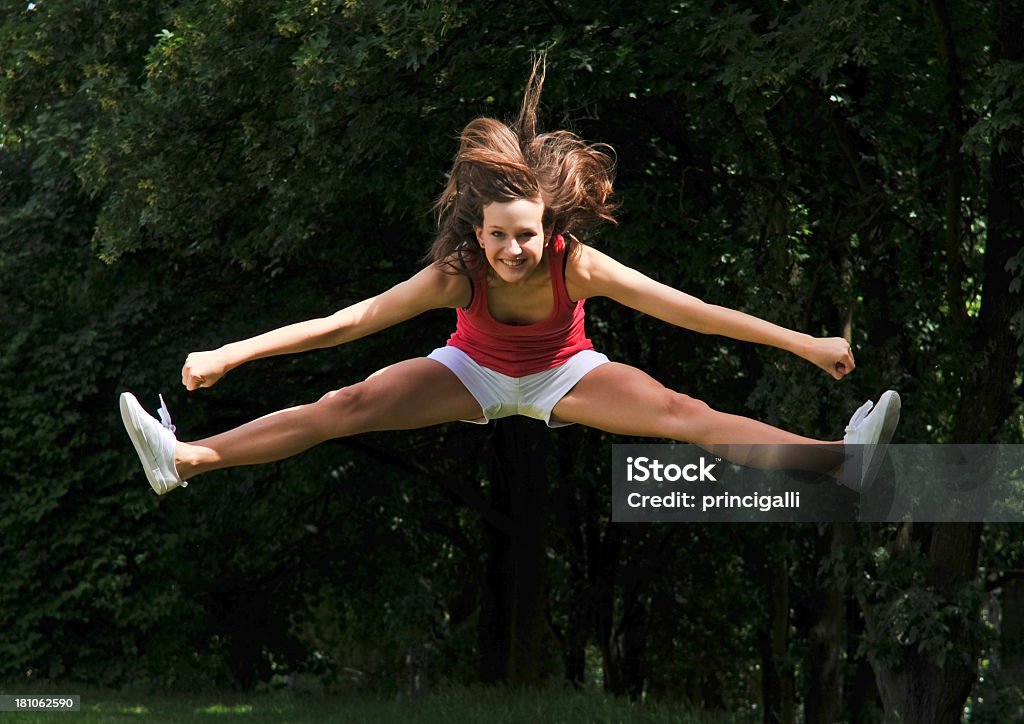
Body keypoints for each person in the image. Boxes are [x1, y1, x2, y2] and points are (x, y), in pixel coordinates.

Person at [120, 60, 900, 497]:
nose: (513, 253)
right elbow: (348, 322)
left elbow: (692, 310)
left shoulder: (578, 265)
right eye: (499, 238)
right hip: (473, 371)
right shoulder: (459, 273)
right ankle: (184, 460)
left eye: (525, 236)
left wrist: (804, 343)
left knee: (684, 412)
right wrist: (230, 353)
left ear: (550, 227)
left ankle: (841, 460)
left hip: (567, 373)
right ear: (477, 231)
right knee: (345, 404)